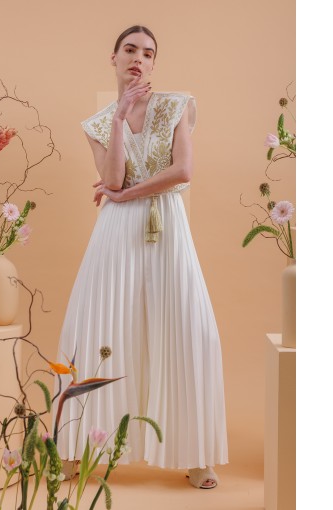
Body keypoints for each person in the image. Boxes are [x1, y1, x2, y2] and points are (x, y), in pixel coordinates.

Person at [54, 25, 228, 489]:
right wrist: (116, 120)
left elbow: (182, 171)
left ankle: (196, 454)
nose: (138, 58)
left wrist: (127, 193)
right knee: (99, 327)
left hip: (167, 225)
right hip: (116, 233)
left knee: (189, 330)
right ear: (113, 58)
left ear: (154, 63)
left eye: (148, 53)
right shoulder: (97, 124)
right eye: (129, 50)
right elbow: (111, 177)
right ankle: (77, 447)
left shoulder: (177, 106)